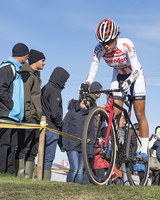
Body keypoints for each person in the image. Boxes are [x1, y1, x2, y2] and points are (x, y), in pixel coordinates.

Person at [81, 18, 149, 154]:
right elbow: (93, 69)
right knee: (116, 111)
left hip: (135, 75)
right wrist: (87, 84)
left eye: (109, 42)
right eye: (103, 43)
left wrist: (129, 82)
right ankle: (120, 135)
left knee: (139, 113)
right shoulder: (98, 49)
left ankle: (143, 152)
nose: (106, 46)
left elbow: (135, 68)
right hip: (118, 75)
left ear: (116, 36)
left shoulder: (126, 44)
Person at [15, 49, 46, 178]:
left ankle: (28, 177)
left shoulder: (36, 76)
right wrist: (28, 116)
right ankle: (20, 175)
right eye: (43, 60)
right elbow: (26, 97)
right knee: (24, 147)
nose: (44, 63)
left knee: (33, 150)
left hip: (36, 118)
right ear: (35, 61)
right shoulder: (27, 75)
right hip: (29, 118)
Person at [0, 43, 29, 174]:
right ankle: (2, 173)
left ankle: (9, 173)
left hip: (14, 116)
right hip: (6, 114)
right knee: (4, 145)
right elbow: (1, 89)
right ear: (23, 55)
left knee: (12, 146)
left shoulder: (16, 70)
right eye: (27, 55)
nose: (28, 57)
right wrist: (10, 106)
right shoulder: (8, 68)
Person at [41, 67, 70, 180]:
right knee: (49, 158)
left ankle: (39, 178)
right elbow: (55, 113)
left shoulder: (45, 87)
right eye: (64, 80)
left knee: (42, 156)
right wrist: (60, 124)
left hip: (43, 126)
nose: (64, 84)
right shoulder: (55, 90)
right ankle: (45, 180)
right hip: (52, 128)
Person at [59, 96, 94, 183]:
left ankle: (77, 188)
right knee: (74, 168)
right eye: (83, 104)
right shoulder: (72, 113)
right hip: (72, 145)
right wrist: (63, 145)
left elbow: (92, 133)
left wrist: (90, 149)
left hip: (83, 147)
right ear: (79, 102)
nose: (85, 107)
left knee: (80, 170)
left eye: (87, 105)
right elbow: (65, 128)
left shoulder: (90, 117)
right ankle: (69, 186)